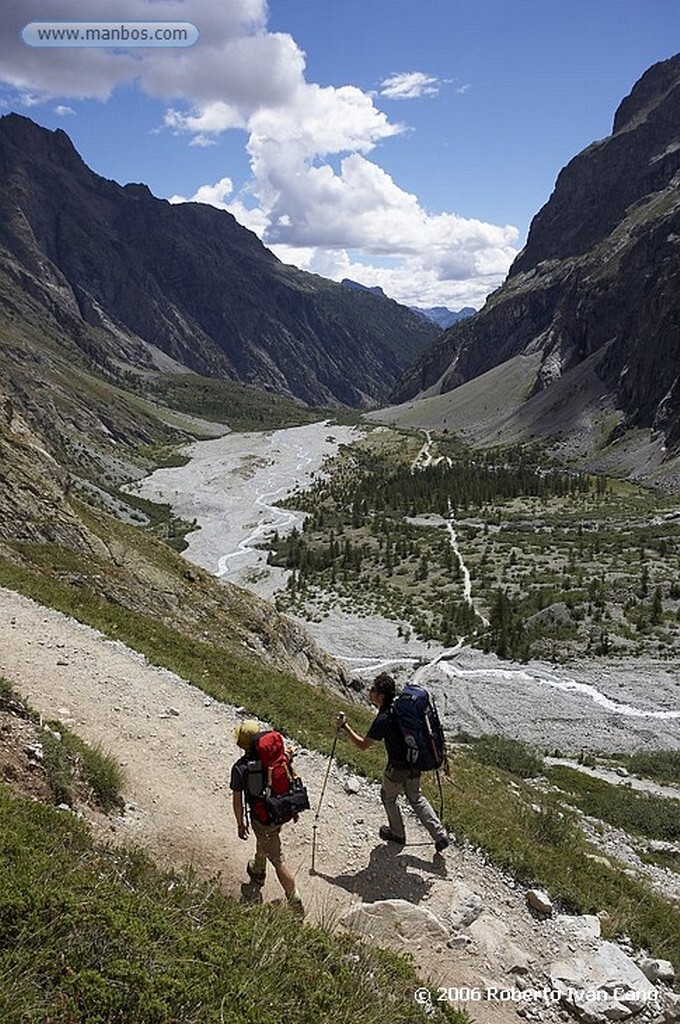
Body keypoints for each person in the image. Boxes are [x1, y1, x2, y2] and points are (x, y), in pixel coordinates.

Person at [336, 673, 449, 852]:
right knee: (416, 798)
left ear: (381, 696)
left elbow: (362, 745)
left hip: (396, 767)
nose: (369, 691)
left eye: (373, 689)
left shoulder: (383, 718)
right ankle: (439, 834)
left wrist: (344, 727)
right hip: (415, 762)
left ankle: (397, 833)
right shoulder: (401, 709)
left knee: (388, 797)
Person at [230, 719, 304, 915]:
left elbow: (237, 801)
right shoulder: (274, 757)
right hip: (282, 809)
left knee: (278, 859)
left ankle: (295, 901)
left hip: (263, 818)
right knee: (264, 839)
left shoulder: (240, 768)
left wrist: (240, 824)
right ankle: (258, 870)